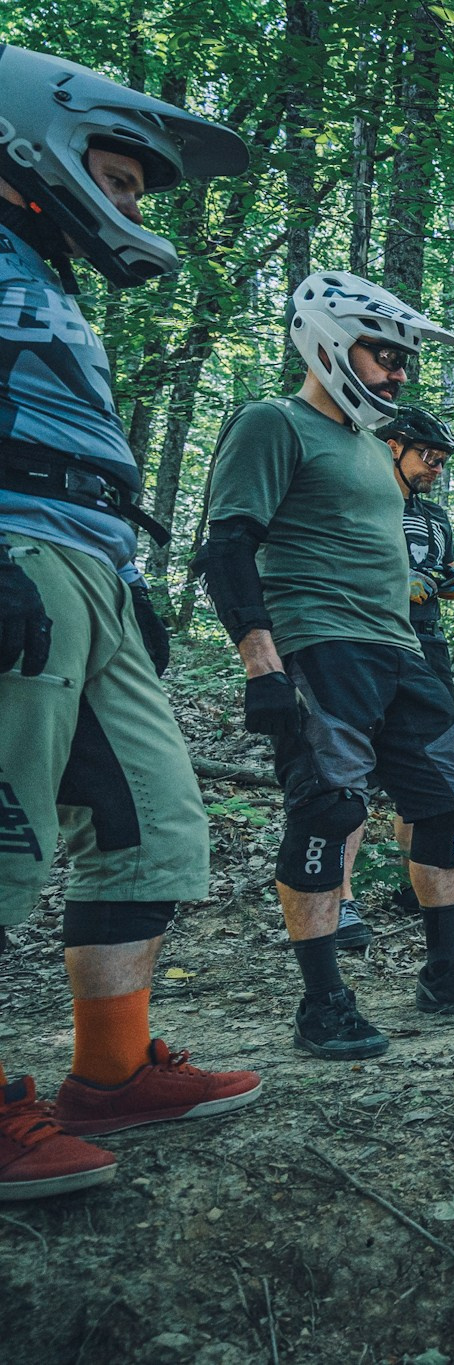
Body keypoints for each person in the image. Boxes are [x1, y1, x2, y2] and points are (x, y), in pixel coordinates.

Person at [0, 44, 260, 1200]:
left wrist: (126, 582)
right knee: (6, 833)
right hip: (14, 555)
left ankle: (109, 1074)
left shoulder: (41, 273)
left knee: (155, 826)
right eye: (121, 179)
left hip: (90, 567)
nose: (135, 207)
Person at [198, 270, 454, 1062]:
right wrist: (262, 666)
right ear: (331, 343)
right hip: (319, 643)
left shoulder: (376, 451)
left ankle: (444, 970)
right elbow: (227, 547)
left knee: (448, 803)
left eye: (404, 359)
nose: (399, 373)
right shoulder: (273, 422)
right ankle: (323, 1001)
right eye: (386, 355)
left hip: (402, 650)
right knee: (331, 809)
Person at [329, 406, 454, 950]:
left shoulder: (435, 515)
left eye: (442, 460)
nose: (437, 467)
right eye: (429, 456)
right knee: (349, 777)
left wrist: (445, 580)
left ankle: (419, 889)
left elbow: (446, 578)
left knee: (432, 772)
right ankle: (340, 900)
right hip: (362, 643)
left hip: (425, 646)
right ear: (393, 447)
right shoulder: (357, 499)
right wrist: (394, 582)